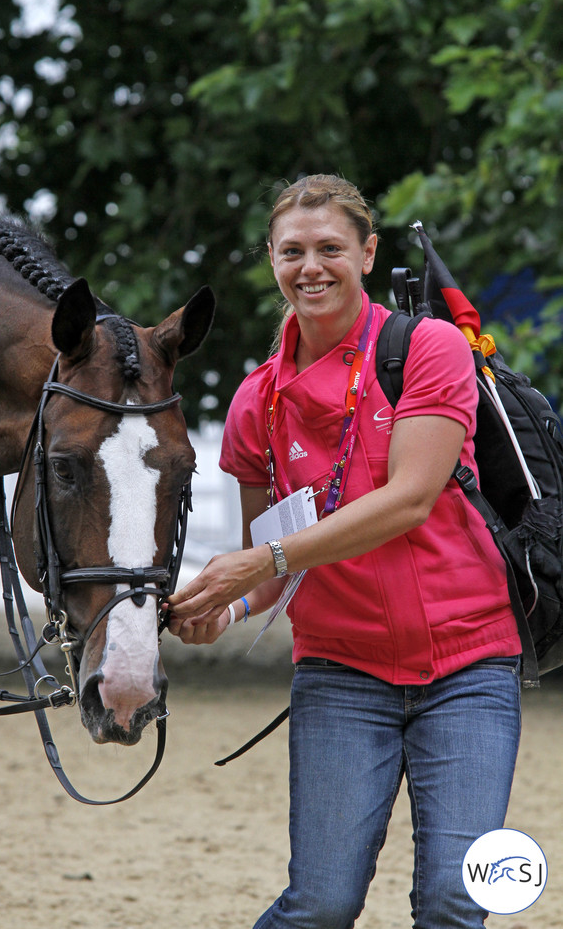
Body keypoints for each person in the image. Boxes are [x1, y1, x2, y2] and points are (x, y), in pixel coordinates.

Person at [167, 174, 522, 928]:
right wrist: (223, 607)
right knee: (321, 904)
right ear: (271, 259)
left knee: (456, 901)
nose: (311, 266)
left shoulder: (427, 348)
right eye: (292, 250)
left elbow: (410, 498)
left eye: (331, 247)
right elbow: (266, 566)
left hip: (469, 664)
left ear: (367, 253)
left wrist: (262, 565)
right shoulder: (252, 402)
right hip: (339, 673)